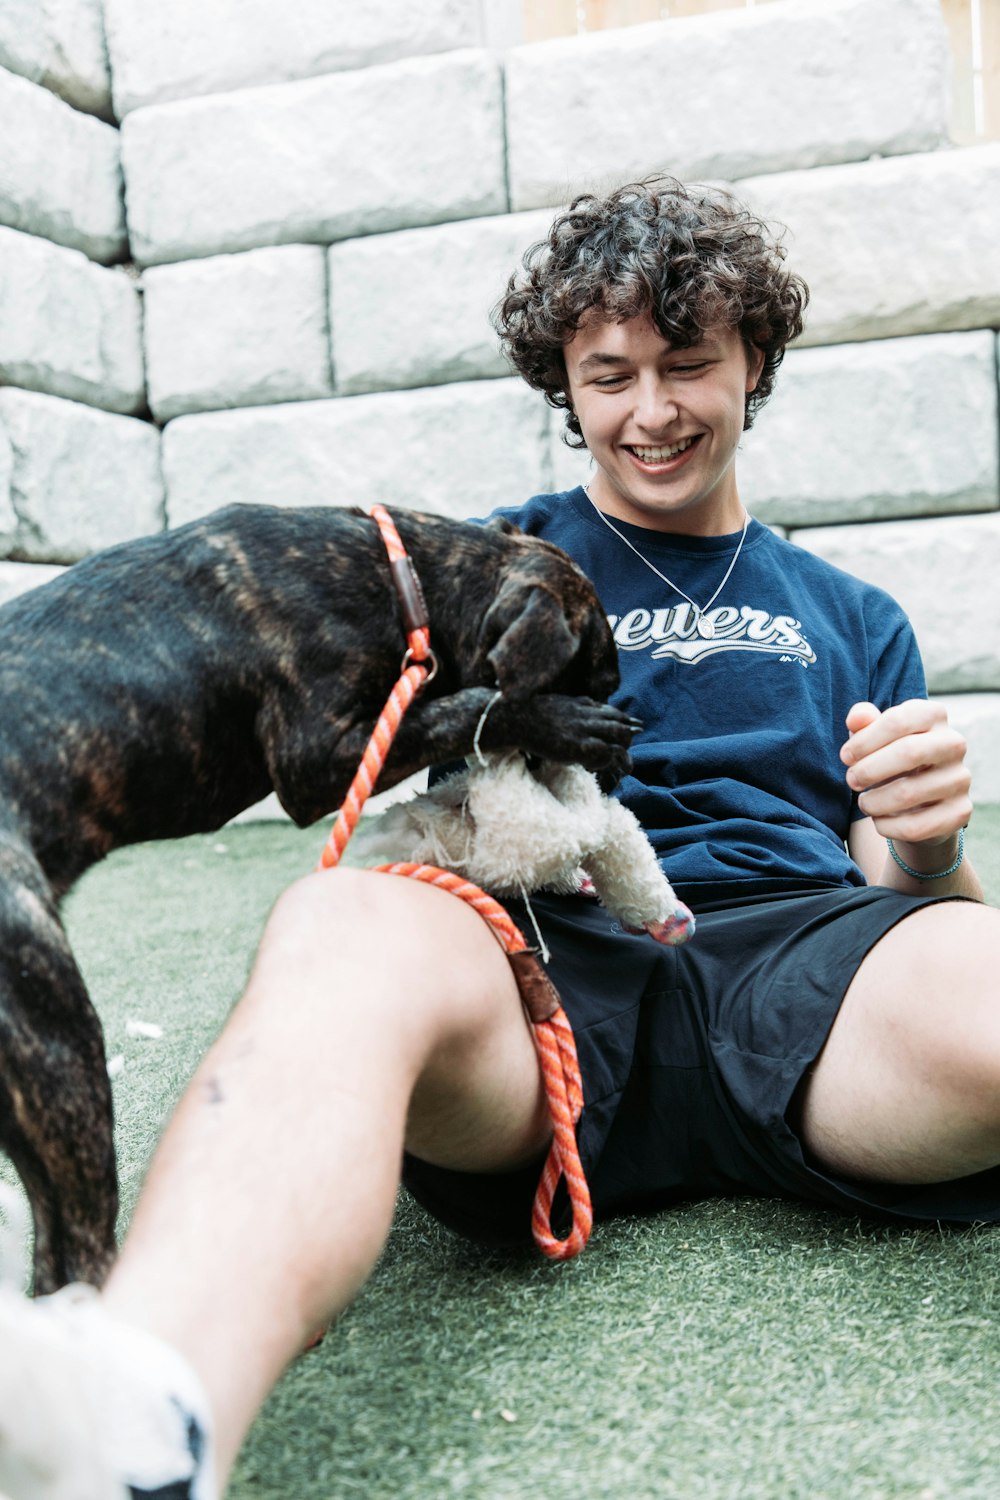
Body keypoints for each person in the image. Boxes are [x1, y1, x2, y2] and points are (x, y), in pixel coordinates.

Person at [0, 175, 996, 1500]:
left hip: (810, 967)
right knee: (336, 920)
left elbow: (900, 883)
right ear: (564, 385)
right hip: (545, 960)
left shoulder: (852, 610)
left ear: (754, 362)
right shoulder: (494, 564)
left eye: (690, 364)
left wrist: (928, 845)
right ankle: (138, 1425)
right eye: (609, 373)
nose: (651, 410)